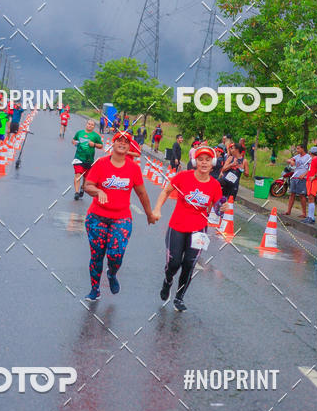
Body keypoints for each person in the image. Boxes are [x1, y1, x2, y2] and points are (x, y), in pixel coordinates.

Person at [82, 130, 156, 300]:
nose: (122, 143)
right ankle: (95, 289)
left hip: (121, 218)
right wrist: (98, 191)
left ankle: (112, 273)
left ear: (129, 146)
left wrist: (149, 214)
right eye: (119, 140)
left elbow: (142, 193)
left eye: (126, 141)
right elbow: (88, 185)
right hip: (96, 217)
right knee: (97, 255)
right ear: (113, 144)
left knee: (116, 254)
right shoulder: (100, 164)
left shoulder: (133, 168)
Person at [152, 145, 222, 311]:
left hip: (198, 230)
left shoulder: (215, 185)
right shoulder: (183, 177)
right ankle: (168, 281)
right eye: (200, 159)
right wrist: (157, 209)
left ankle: (179, 298)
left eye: (207, 160)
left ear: (212, 163)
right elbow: (166, 191)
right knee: (174, 262)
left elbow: (218, 207)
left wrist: (222, 208)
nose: (204, 163)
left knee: (189, 264)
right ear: (195, 161)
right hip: (177, 226)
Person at [72, 118, 102, 199]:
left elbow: (101, 146)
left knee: (85, 178)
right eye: (89, 124)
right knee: (78, 174)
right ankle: (76, 192)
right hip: (78, 157)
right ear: (86, 124)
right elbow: (74, 140)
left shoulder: (95, 136)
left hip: (89, 160)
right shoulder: (79, 133)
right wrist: (74, 142)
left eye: (92, 125)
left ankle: (82, 187)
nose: (90, 126)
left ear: (94, 127)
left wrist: (94, 144)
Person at [285, 143, 310, 218]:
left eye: (298, 148)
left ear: (302, 149)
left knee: (302, 195)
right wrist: (290, 161)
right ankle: (288, 211)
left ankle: (304, 213)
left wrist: (304, 175)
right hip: (294, 177)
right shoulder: (297, 156)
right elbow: (288, 160)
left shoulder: (308, 157)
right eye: (297, 148)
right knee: (292, 194)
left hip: (302, 178)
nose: (297, 150)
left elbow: (310, 169)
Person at [302, 146, 317, 224]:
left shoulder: (316, 159)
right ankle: (310, 216)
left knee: (311, 198)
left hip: (313, 181)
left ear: (311, 153)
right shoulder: (313, 159)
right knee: (310, 198)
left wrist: (314, 176)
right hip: (310, 180)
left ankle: (311, 218)